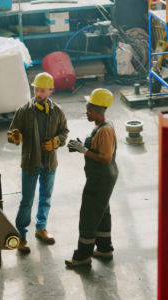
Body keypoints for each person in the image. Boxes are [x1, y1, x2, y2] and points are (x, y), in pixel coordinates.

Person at [7, 72, 69, 253]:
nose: (38, 94)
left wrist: (55, 142)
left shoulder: (57, 111)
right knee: (26, 200)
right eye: (36, 90)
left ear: (51, 91)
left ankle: (41, 228)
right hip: (30, 164)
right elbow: (12, 135)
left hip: (49, 164)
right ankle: (21, 234)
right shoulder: (23, 112)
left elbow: (64, 132)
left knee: (46, 198)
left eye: (42, 91)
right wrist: (15, 137)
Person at [65, 88, 118, 267]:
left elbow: (106, 158)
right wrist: (82, 146)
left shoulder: (104, 130)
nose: (86, 113)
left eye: (90, 110)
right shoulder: (101, 126)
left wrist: (84, 150)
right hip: (102, 177)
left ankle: (82, 256)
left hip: (100, 178)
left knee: (89, 213)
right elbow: (97, 150)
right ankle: (104, 248)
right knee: (102, 211)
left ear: (100, 111)